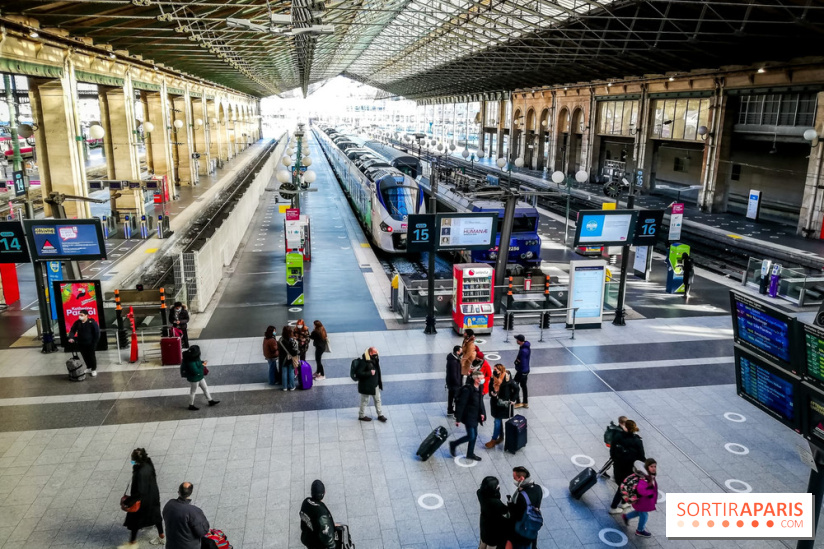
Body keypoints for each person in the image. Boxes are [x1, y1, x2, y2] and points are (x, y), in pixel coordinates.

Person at [120, 448, 163, 548]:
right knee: (156, 516)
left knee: (135, 521)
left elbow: (139, 492)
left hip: (143, 501)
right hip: (153, 496)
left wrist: (128, 502)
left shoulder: (140, 473)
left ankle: (132, 543)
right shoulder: (148, 463)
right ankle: (161, 535)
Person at [608, 419, 645, 514]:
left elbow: (612, 449)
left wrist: (614, 458)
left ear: (625, 427)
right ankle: (614, 507)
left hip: (618, 465)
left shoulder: (618, 436)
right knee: (623, 487)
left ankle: (624, 502)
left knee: (623, 485)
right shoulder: (637, 441)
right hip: (629, 468)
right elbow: (641, 456)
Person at [449, 370, 485, 461]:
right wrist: (458, 419)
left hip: (476, 415)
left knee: (475, 435)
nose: (483, 380)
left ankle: (470, 453)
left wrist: (482, 413)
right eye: (481, 378)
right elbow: (461, 405)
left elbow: (480, 401)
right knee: (471, 436)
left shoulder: (480, 387)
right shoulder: (467, 390)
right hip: (468, 416)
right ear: (476, 379)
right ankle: (454, 444)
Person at [162, 482, 210, 549]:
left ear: (178, 492)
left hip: (171, 545)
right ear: (190, 493)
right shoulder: (193, 511)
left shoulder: (169, 504)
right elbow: (202, 531)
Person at [508, 466, 543, 549]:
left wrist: (510, 506)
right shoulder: (538, 488)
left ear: (521, 478)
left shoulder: (521, 496)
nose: (514, 480)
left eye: (515, 478)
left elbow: (517, 516)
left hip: (522, 529)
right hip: (532, 526)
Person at [622, 459, 658, 538]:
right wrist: (650, 493)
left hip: (644, 501)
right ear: (647, 467)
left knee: (639, 512)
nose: (654, 468)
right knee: (644, 515)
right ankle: (640, 530)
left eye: (655, 466)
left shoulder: (649, 476)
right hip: (643, 501)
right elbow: (641, 490)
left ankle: (626, 516)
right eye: (651, 466)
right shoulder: (644, 478)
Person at [299, 479, 336, 549]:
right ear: (324, 492)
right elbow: (328, 540)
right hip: (318, 544)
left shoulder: (306, 502)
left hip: (308, 538)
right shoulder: (322, 515)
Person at [486, 365, 516, 449]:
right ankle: (501, 436)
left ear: (500, 370)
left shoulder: (507, 379)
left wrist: (513, 399)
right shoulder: (493, 378)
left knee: (497, 421)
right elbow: (490, 389)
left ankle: (493, 440)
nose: (494, 371)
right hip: (495, 403)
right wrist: (492, 393)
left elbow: (516, 389)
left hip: (503, 404)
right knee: (498, 420)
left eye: (496, 369)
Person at [182, 345, 219, 411]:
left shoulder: (193, 358)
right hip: (194, 379)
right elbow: (195, 371)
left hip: (199, 377)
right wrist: (203, 365)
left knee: (205, 388)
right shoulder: (191, 362)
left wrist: (202, 363)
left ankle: (210, 400)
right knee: (193, 391)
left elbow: (198, 364)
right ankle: (191, 405)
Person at [354, 347, 387, 422]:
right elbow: (358, 373)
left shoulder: (375, 359)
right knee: (365, 401)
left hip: (375, 385)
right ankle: (361, 415)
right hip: (366, 386)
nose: (376, 355)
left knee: (378, 400)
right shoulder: (364, 362)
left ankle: (380, 415)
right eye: (375, 354)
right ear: (370, 353)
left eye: (376, 354)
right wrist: (369, 373)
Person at [477, 476, 509, 549]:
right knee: (491, 546)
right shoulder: (495, 502)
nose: (498, 486)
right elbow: (505, 510)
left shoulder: (480, 493)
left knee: (483, 542)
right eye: (497, 485)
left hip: (484, 523)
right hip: (493, 528)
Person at [68, 310, 101, 377]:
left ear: (86, 315)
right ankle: (88, 367)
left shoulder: (92, 322)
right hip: (81, 342)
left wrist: (95, 342)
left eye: (82, 315)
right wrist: (71, 337)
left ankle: (93, 369)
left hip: (90, 343)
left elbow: (97, 333)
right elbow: (72, 330)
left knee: (91, 356)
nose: (80, 316)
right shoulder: (77, 323)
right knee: (84, 356)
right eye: (79, 315)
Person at [279, 326, 299, 391]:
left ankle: (284, 387)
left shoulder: (280, 340)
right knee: (291, 372)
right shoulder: (292, 340)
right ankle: (292, 386)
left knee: (284, 372)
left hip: (283, 358)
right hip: (290, 358)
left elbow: (279, 350)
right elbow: (295, 351)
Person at [513, 335, 531, 409]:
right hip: (525, 370)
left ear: (519, 341)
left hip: (522, 371)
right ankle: (525, 402)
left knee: (515, 384)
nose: (516, 341)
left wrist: (518, 361)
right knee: (523, 386)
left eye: (517, 339)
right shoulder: (525, 347)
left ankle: (518, 402)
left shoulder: (523, 350)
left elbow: (523, 362)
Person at [445, 346, 462, 416]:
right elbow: (454, 374)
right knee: (456, 397)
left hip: (450, 382)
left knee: (451, 396)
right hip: (454, 383)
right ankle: (456, 412)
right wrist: (458, 383)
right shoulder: (454, 361)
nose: (462, 352)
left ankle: (450, 409)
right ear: (457, 352)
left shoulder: (452, 359)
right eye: (461, 351)